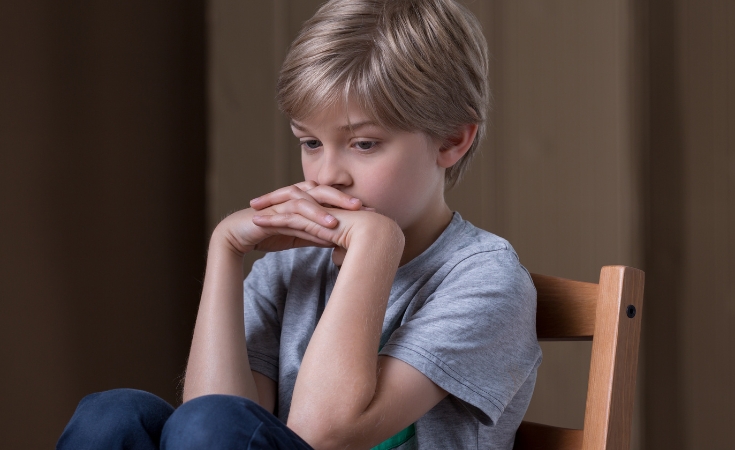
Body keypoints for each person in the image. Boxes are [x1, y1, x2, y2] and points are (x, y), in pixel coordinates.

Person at [57, 0, 541, 448]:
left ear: (452, 140)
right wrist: (224, 250)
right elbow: (211, 415)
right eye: (310, 143)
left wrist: (374, 244)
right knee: (112, 415)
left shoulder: (486, 282)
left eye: (364, 144)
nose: (328, 173)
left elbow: (325, 434)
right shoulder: (290, 269)